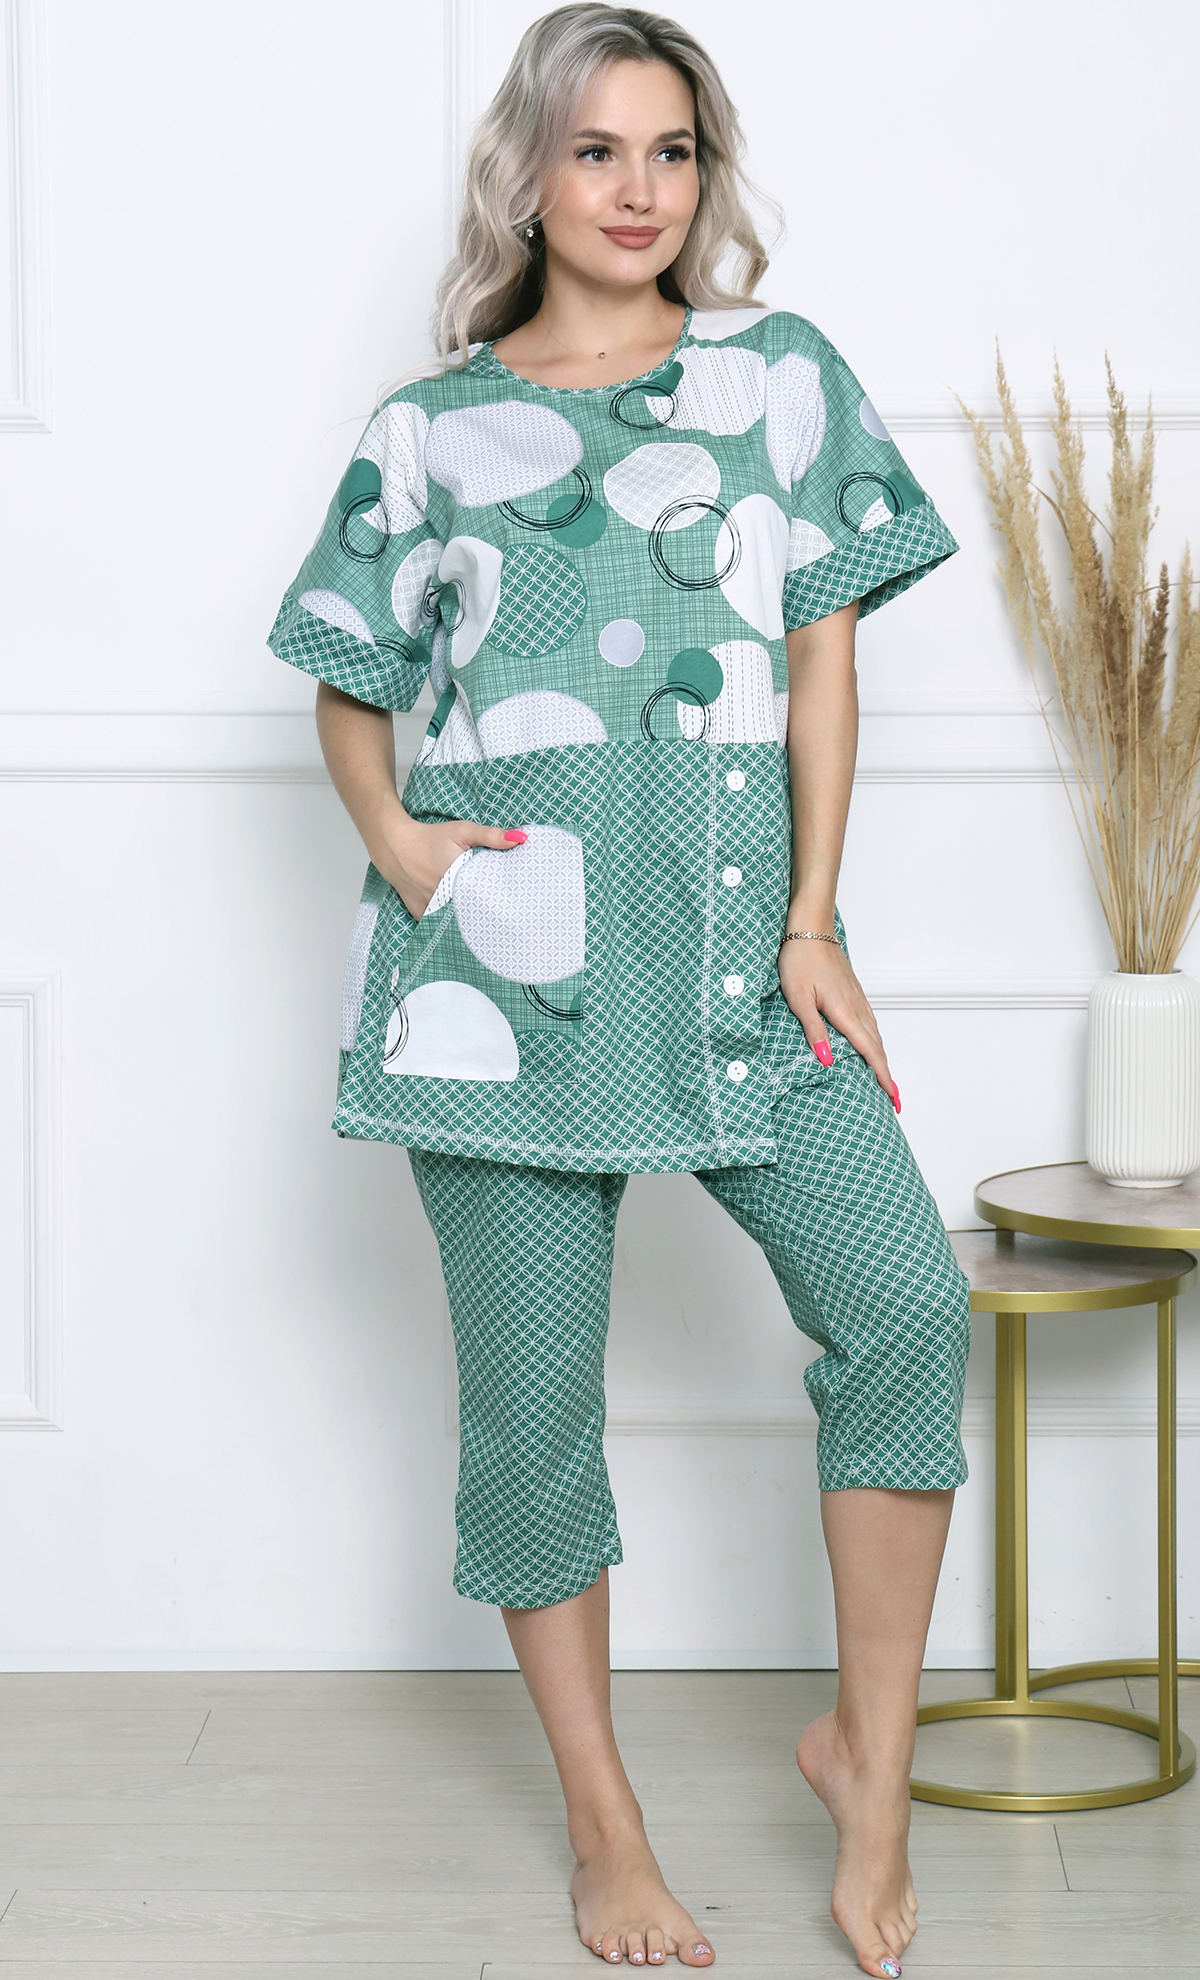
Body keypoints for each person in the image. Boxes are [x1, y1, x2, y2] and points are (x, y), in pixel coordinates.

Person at [269, 8, 970, 1974]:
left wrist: (817, 922)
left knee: (908, 1311)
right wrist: (402, 842)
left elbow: (823, 659)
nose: (639, 189)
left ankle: (871, 1764)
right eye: (597, 151)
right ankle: (606, 1831)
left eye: (672, 152)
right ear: (531, 176)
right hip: (503, 985)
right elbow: (346, 674)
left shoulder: (780, 378)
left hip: (745, 951)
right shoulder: (427, 427)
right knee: (533, 1423)